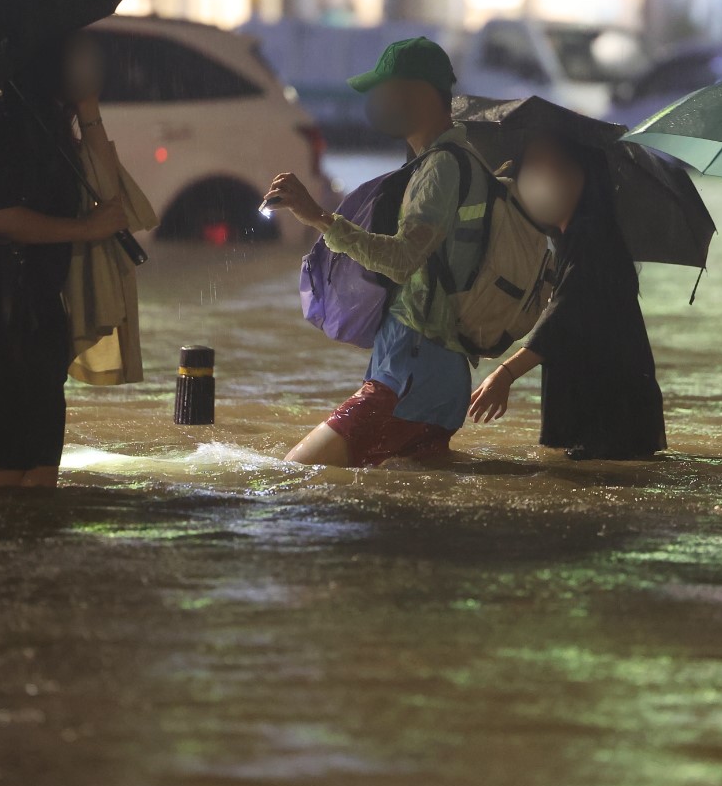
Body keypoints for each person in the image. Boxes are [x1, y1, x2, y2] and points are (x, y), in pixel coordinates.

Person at [264, 37, 487, 468]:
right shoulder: (453, 161)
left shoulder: (441, 168)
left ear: (418, 95)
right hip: (429, 374)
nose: (377, 103)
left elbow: (404, 259)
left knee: (294, 474)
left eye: (385, 91)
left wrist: (318, 218)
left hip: (410, 379)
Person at [0, 37, 130, 494]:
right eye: (76, 56)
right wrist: (84, 229)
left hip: (39, 326)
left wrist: (88, 109)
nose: (90, 63)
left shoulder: (54, 130)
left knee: (37, 493)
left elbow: (115, 199)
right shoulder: (1, 126)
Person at [467, 134, 666, 460]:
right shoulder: (576, 239)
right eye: (533, 168)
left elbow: (563, 317)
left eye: (556, 168)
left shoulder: (592, 239)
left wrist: (504, 375)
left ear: (583, 176)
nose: (542, 180)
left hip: (611, 414)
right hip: (610, 411)